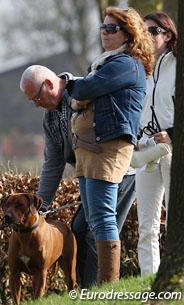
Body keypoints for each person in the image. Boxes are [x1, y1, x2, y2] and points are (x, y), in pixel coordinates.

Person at [20, 65, 136, 288]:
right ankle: (87, 290)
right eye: (31, 101)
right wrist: (40, 206)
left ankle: (99, 291)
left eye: (36, 97)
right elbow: (53, 163)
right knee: (80, 230)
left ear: (50, 84)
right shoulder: (50, 119)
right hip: (90, 175)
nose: (36, 104)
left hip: (117, 171)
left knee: (94, 231)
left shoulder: (87, 89)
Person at [68, 7, 154, 284]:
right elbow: (82, 94)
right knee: (94, 218)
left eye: (112, 28)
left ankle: (109, 286)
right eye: (103, 27)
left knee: (103, 217)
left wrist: (76, 89)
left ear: (128, 34)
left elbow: (81, 91)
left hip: (107, 148)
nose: (105, 32)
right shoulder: (106, 63)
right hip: (90, 148)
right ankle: (100, 287)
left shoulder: (124, 64)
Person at [134, 12, 177, 275]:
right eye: (143, 31)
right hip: (147, 149)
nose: (146, 36)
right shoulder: (140, 68)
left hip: (173, 148)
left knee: (176, 219)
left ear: (167, 34)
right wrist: (137, 137)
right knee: (146, 224)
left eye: (152, 31)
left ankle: (175, 273)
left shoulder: (179, 65)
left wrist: (172, 132)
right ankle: (149, 279)